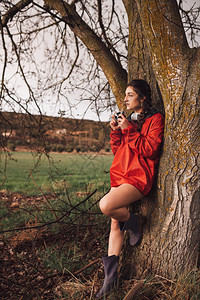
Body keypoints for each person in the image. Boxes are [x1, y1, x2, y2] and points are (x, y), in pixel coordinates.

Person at [96, 79, 165, 298]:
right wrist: (117, 131)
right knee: (115, 224)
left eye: (130, 94)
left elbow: (149, 149)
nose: (125, 99)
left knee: (106, 205)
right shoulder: (130, 120)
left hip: (138, 177)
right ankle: (110, 279)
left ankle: (134, 221)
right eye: (125, 95)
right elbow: (119, 151)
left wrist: (128, 129)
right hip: (120, 174)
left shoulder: (155, 119)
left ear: (142, 98)